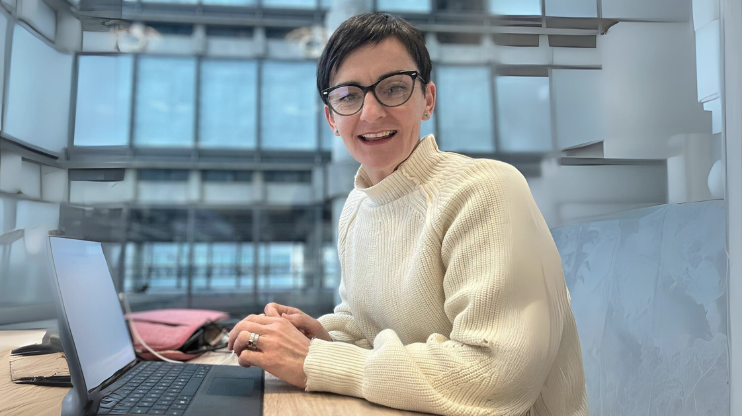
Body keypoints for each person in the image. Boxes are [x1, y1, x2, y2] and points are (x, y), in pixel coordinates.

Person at [227, 12, 588, 416]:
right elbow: (367, 325)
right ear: (332, 118)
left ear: (427, 100)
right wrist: (319, 337)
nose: (371, 113)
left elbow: (494, 376)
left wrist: (314, 360)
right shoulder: (357, 207)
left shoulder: (485, 189)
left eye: (393, 88)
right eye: (348, 96)